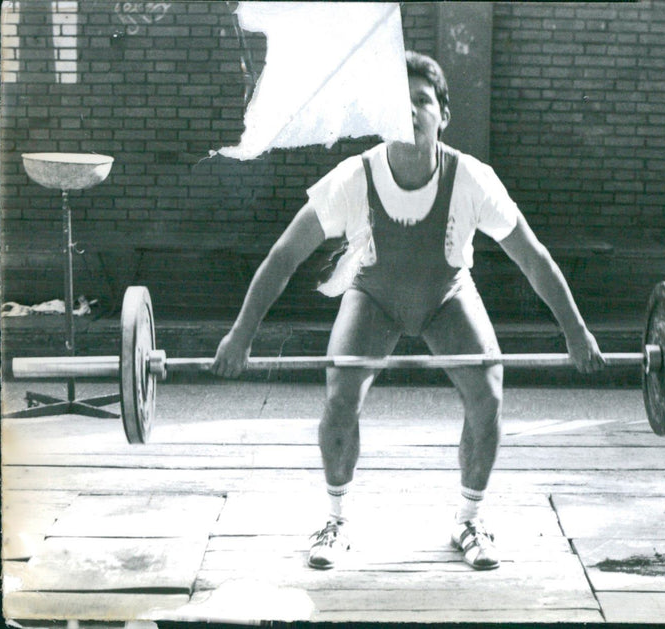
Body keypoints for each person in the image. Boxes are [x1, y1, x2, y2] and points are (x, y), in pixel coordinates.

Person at [212, 51, 605, 571]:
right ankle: (336, 519)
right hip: (374, 297)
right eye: (398, 105)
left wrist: (576, 334)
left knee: (488, 392)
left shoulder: (472, 179)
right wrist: (241, 335)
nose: (410, 112)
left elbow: (534, 259)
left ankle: (469, 520)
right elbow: (284, 256)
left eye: (422, 101)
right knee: (340, 395)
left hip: (447, 298)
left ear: (443, 114)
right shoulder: (354, 177)